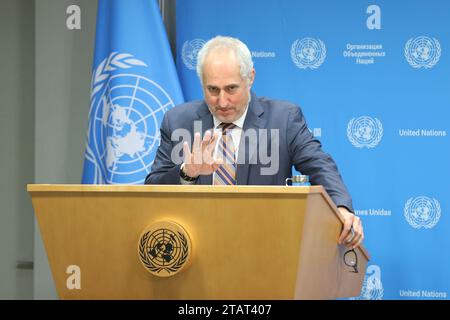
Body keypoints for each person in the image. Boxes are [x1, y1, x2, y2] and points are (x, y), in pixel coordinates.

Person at [145, 36, 364, 249]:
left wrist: (341, 208)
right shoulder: (177, 121)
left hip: (265, 249)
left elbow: (320, 166)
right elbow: (151, 190)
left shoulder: (283, 119)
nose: (222, 101)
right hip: (196, 250)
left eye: (231, 88)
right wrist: (187, 172)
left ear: (250, 78)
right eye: (212, 90)